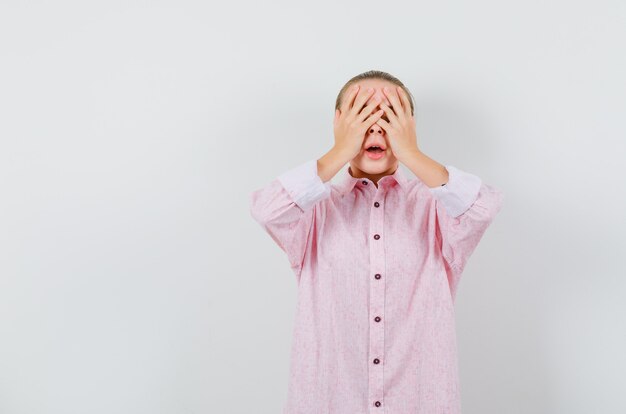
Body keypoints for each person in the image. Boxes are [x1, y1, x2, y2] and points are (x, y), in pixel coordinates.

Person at [249, 70, 504, 414]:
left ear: (409, 126)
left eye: (388, 116)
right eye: (362, 114)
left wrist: (412, 153)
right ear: (339, 123)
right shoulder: (315, 209)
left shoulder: (435, 207)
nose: (375, 127)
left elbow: (482, 208)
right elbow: (266, 209)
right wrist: (340, 150)